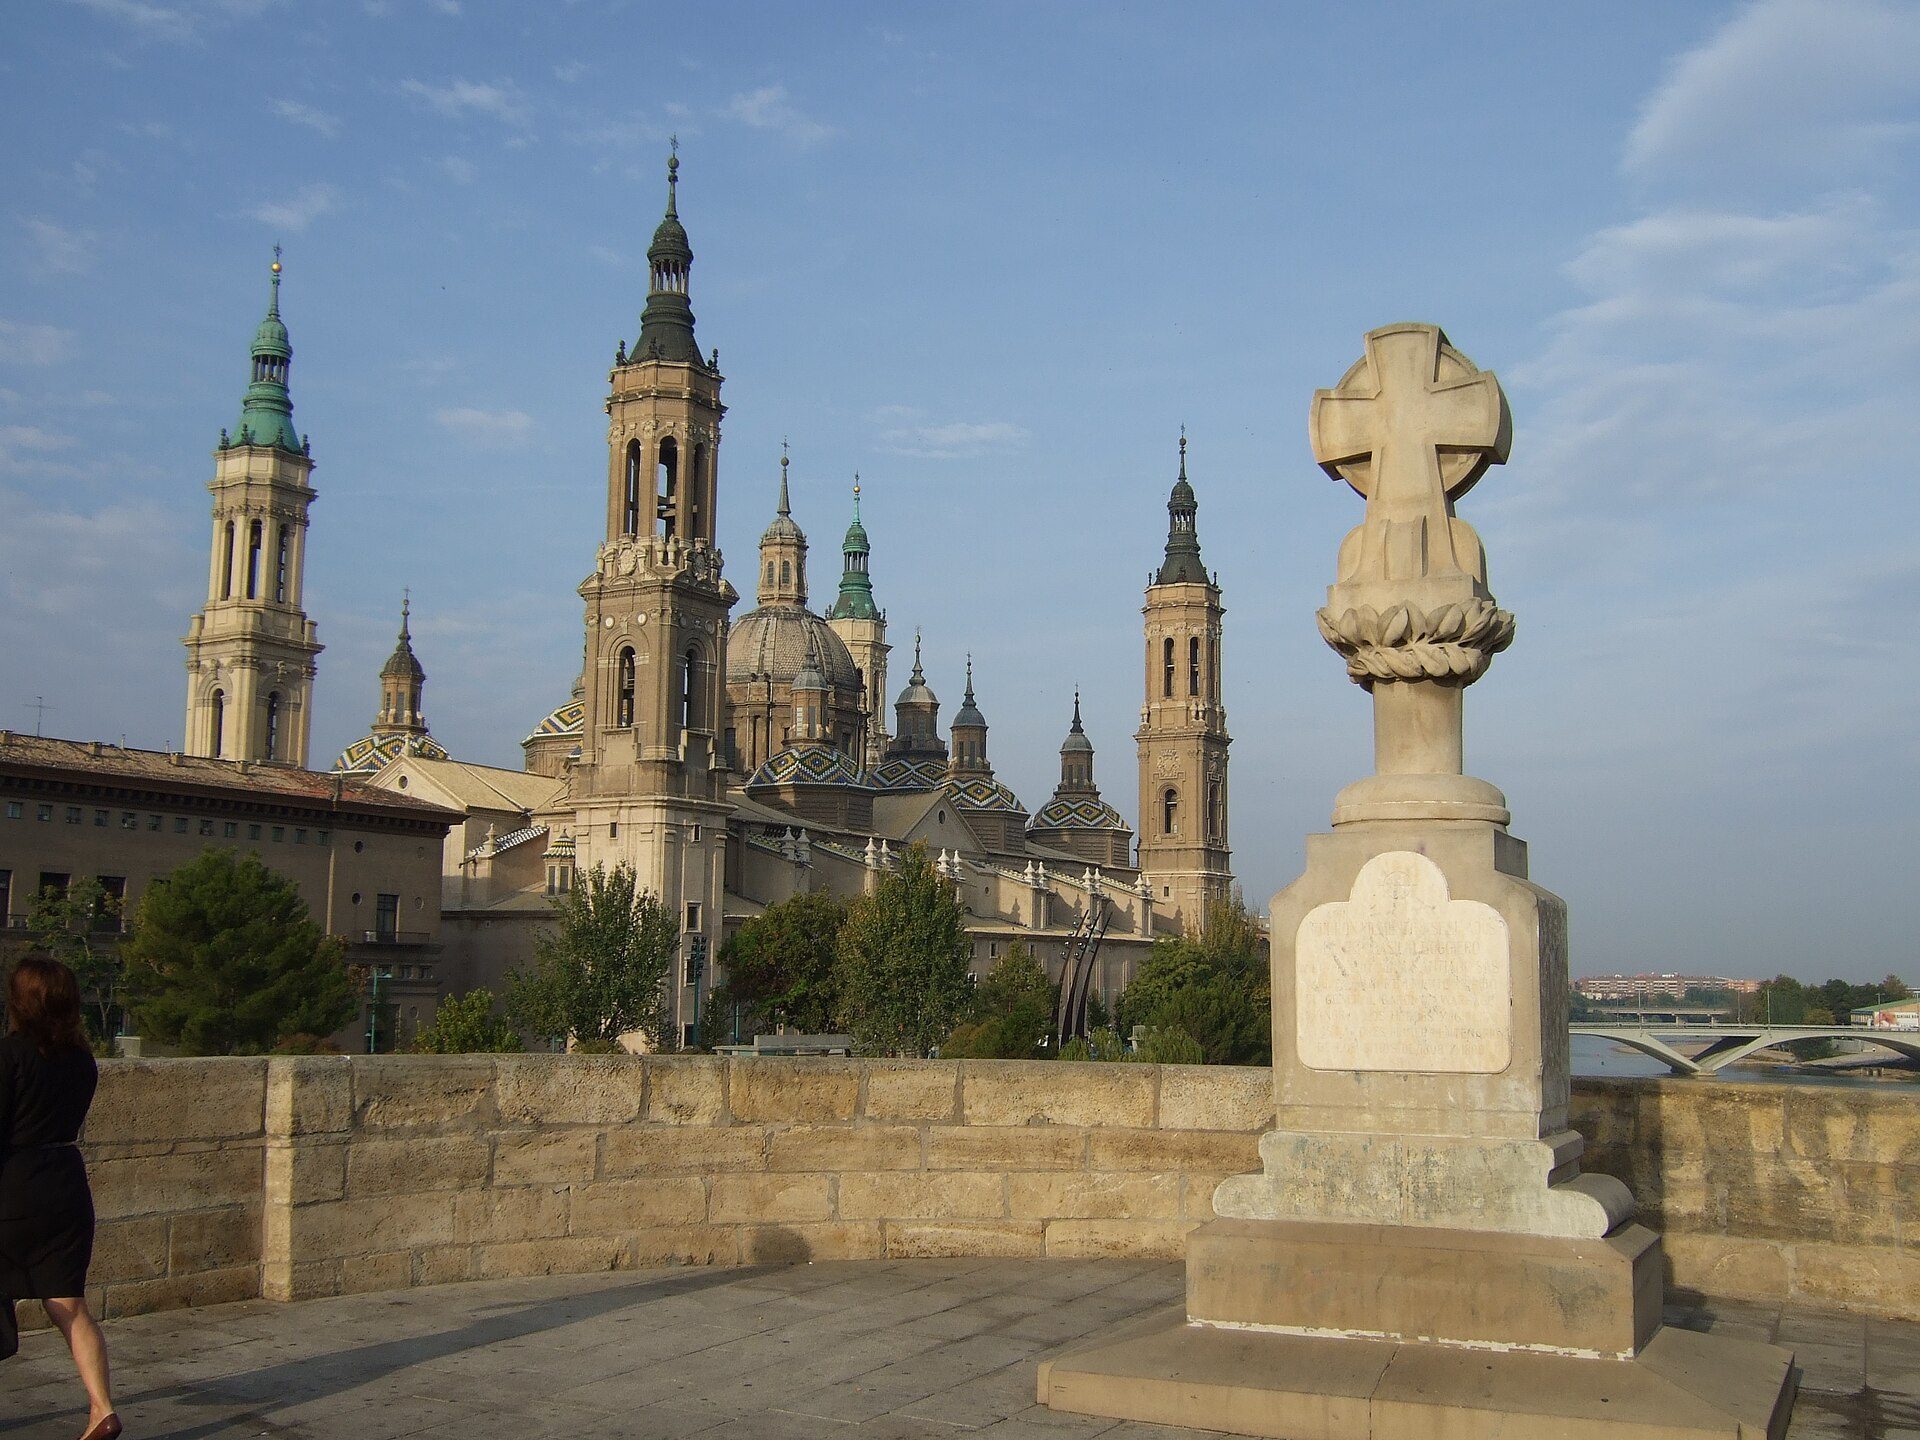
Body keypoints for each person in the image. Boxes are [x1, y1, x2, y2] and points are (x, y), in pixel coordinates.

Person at [0, 953, 120, 1440]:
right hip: (66, 1184)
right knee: (69, 1304)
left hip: (13, 1187)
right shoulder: (83, 1060)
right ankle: (101, 1408)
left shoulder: (10, 1055)